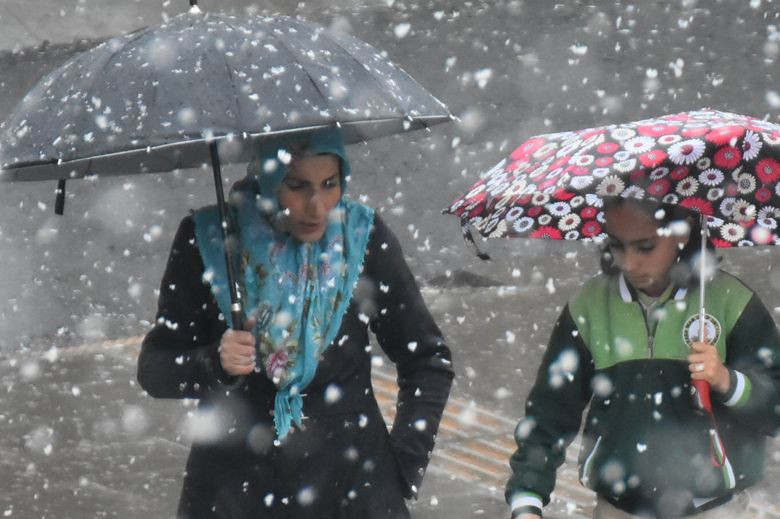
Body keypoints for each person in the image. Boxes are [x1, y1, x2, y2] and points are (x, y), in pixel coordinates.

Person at [137, 129, 454, 519]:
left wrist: (401, 468)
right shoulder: (210, 242)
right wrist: (213, 363)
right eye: (297, 186)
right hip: (235, 493)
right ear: (267, 182)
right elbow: (154, 369)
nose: (317, 206)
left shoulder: (361, 239)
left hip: (352, 490)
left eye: (330, 184)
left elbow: (427, 359)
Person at [506, 197, 780, 518]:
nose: (628, 263)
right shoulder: (590, 305)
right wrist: (527, 499)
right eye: (616, 246)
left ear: (682, 232)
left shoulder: (731, 301)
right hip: (618, 509)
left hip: (714, 509)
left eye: (645, 246)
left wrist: (727, 382)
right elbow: (550, 411)